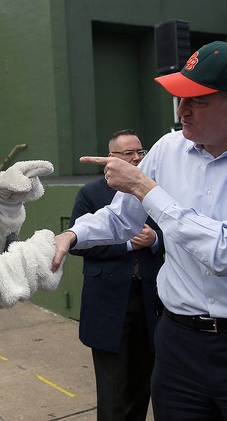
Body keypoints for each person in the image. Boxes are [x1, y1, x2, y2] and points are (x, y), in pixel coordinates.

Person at [52, 41, 227, 420]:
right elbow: (121, 218)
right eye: (179, 97)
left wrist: (145, 188)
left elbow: (226, 252)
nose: (181, 111)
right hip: (178, 344)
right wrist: (71, 235)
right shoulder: (168, 148)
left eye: (197, 101)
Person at [69, 129, 164, 421]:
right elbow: (79, 244)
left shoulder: (157, 190)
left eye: (140, 152)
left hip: (152, 302)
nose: (137, 158)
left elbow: (180, 230)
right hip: (110, 305)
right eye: (129, 153)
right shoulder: (91, 193)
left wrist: (155, 240)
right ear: (111, 158)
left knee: (143, 386)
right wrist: (125, 243)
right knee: (113, 394)